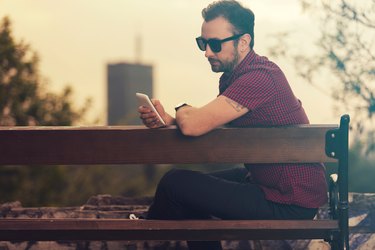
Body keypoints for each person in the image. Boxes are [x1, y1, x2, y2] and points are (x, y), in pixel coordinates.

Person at [138, 1, 327, 249]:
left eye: (215, 44)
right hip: (268, 182)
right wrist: (172, 122)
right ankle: (156, 218)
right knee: (186, 191)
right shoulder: (234, 77)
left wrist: (182, 109)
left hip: (289, 200)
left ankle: (150, 224)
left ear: (244, 42)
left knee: (174, 183)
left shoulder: (259, 78)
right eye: (202, 43)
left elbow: (194, 125)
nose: (207, 52)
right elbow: (210, 126)